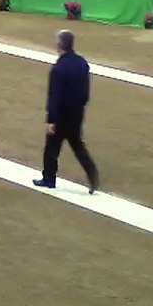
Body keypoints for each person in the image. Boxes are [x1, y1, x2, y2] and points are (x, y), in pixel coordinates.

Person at [33, 30, 99, 194]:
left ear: (59, 45)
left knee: (51, 149)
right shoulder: (82, 63)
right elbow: (85, 94)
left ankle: (49, 178)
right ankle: (93, 175)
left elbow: (54, 97)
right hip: (76, 115)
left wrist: (51, 120)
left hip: (61, 117)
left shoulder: (58, 69)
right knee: (78, 147)